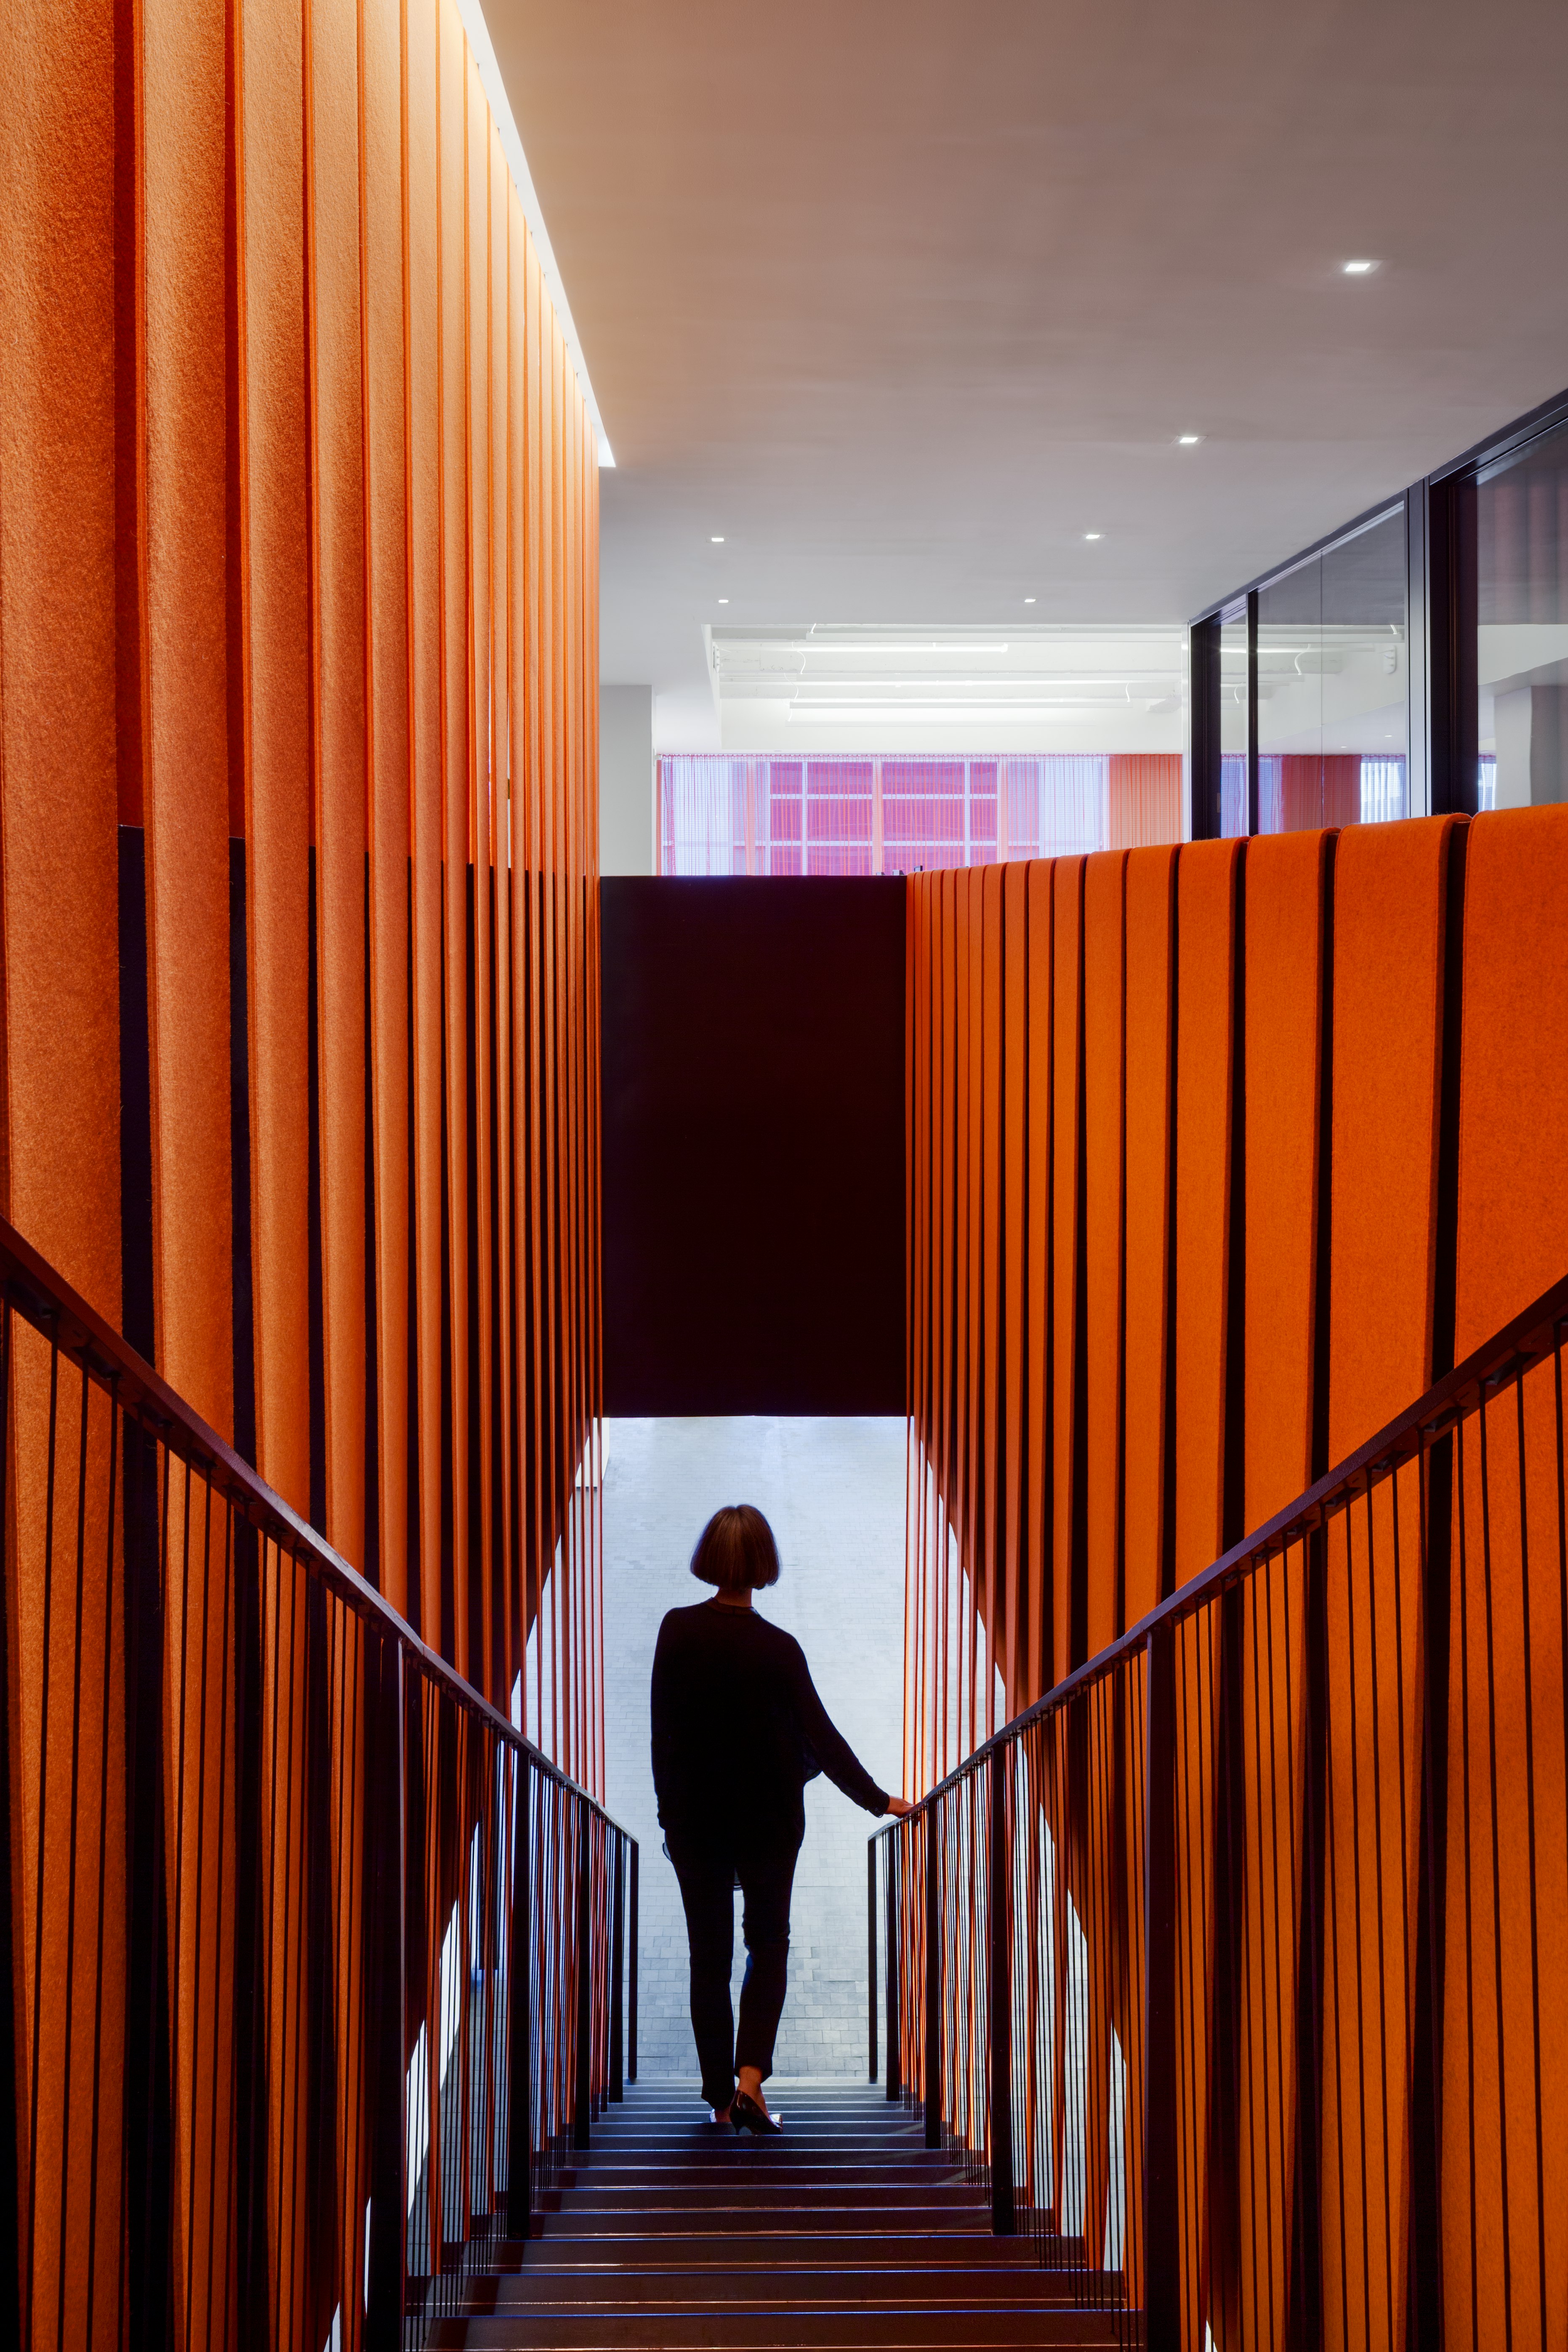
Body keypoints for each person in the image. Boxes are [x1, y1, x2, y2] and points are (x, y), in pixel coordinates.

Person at [650, 1503, 913, 2134]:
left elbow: (664, 1734)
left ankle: (718, 2100)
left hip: (697, 1823)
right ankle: (751, 2084)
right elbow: (822, 1737)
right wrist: (881, 1802)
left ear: (708, 1559)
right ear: (764, 1565)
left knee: (706, 1958)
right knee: (767, 1944)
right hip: (769, 1823)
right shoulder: (779, 1649)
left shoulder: (677, 1630)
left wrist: (669, 1816)